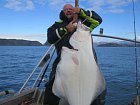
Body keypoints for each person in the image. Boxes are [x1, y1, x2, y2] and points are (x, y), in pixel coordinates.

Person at [44, 4, 106, 105]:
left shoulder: (83, 22)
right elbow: (50, 39)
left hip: (85, 62)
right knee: (50, 91)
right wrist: (65, 29)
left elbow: (98, 20)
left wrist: (82, 11)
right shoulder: (56, 25)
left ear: (74, 11)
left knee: (95, 97)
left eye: (71, 9)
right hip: (62, 62)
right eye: (66, 9)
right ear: (63, 11)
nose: (68, 11)